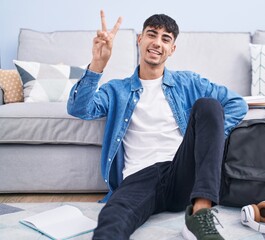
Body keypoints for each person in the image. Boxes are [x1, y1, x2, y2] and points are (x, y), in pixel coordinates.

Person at [67, 10, 248, 240]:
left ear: (172, 49)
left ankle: (201, 214)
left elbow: (236, 104)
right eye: (152, 34)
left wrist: (207, 140)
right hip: (139, 177)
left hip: (181, 172)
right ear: (139, 39)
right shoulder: (117, 90)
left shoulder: (188, 82)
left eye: (166, 38)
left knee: (209, 105)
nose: (157, 43)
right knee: (112, 219)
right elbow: (79, 109)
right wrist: (97, 65)